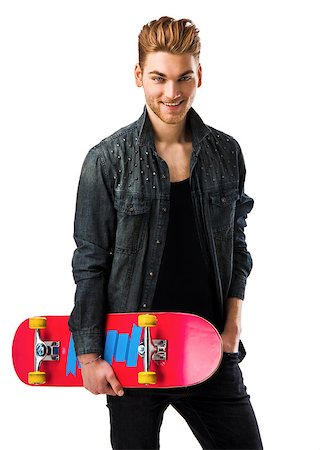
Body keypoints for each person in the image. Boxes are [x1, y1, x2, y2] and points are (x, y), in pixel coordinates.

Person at [69, 16, 263, 450]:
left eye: (183, 78)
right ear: (139, 76)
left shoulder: (225, 153)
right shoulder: (107, 160)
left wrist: (231, 329)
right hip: (131, 356)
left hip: (210, 351)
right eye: (158, 78)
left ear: (199, 77)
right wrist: (88, 355)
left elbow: (237, 243)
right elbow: (90, 260)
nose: (172, 93)